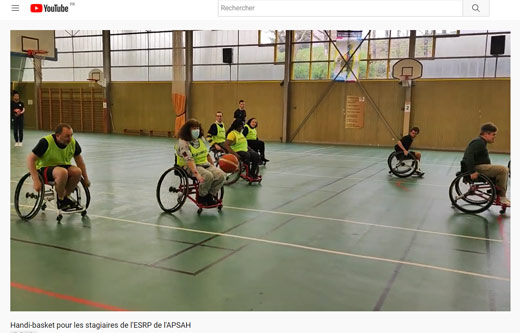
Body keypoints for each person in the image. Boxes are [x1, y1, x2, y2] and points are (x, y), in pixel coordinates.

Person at [27, 123, 91, 211]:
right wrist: (36, 181)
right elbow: (30, 159)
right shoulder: (46, 142)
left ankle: (64, 197)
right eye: (67, 136)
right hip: (45, 168)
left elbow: (80, 161)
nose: (70, 139)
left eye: (71, 135)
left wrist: (86, 178)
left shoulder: (73, 142)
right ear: (57, 135)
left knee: (77, 172)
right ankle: (60, 198)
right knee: (62, 172)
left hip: (63, 166)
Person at [176, 119, 225, 205]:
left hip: (204, 163)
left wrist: (213, 166)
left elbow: (207, 154)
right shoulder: (183, 143)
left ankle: (209, 195)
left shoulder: (201, 139)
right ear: (188, 130)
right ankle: (201, 197)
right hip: (189, 166)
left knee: (221, 175)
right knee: (208, 176)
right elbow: (189, 160)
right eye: (193, 128)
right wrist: (197, 174)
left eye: (197, 128)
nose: (196, 130)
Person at [462, 122, 510, 206]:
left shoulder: (481, 142)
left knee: (501, 170)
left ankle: (496, 192)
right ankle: (501, 197)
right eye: (493, 134)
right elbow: (468, 157)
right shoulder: (478, 142)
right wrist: (472, 171)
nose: (494, 137)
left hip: (479, 167)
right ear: (486, 134)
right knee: (503, 169)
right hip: (476, 168)